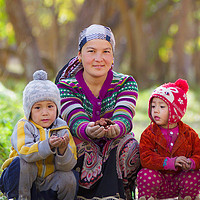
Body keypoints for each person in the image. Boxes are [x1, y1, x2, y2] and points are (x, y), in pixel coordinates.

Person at [56, 24, 141, 200]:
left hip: (116, 144)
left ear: (113, 57)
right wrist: (87, 129)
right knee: (77, 145)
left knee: (130, 145)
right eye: (91, 51)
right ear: (79, 55)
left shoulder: (126, 83)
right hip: (81, 145)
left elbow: (124, 116)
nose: (99, 58)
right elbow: (74, 118)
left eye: (106, 52)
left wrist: (116, 128)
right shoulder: (65, 86)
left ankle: (120, 195)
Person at [0, 70, 78, 200]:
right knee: (23, 163)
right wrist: (47, 145)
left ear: (57, 108)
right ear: (29, 110)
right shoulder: (24, 126)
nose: (45, 113)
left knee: (69, 176)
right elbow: (25, 152)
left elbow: (68, 165)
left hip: (46, 184)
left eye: (50, 106)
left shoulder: (62, 127)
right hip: (20, 182)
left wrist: (63, 151)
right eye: (38, 107)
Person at [137, 79, 200, 200]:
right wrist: (169, 162)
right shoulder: (148, 133)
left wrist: (191, 163)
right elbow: (145, 158)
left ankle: (188, 196)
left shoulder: (189, 134)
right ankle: (147, 197)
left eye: (161, 106)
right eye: (153, 106)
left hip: (179, 180)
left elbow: (198, 154)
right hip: (157, 180)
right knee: (144, 174)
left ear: (175, 110)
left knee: (195, 174)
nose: (155, 110)